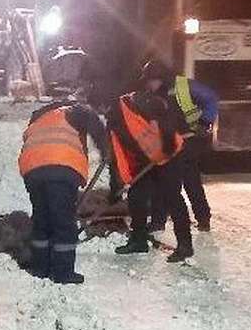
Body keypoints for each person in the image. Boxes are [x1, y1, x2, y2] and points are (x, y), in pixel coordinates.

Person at [18, 99, 109, 284]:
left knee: (42, 220)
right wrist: (106, 150)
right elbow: (95, 125)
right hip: (61, 166)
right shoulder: (74, 110)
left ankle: (40, 268)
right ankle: (63, 272)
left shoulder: (40, 118)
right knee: (64, 223)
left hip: (32, 170)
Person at [109, 90, 192, 263]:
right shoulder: (114, 120)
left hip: (169, 154)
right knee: (136, 196)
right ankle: (138, 240)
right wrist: (116, 186)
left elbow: (163, 114)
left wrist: (167, 145)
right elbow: (116, 156)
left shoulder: (136, 101)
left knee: (172, 197)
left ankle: (185, 245)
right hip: (146, 160)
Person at [142, 60, 219, 235]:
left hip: (188, 140)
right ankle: (197, 218)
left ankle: (163, 222)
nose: (149, 84)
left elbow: (211, 97)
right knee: (174, 179)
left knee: (180, 180)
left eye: (150, 81)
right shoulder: (154, 95)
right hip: (170, 142)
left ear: (160, 78)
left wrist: (205, 121)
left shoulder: (184, 86)